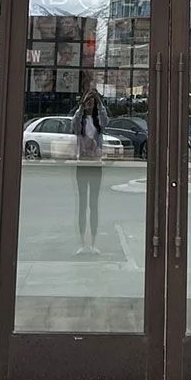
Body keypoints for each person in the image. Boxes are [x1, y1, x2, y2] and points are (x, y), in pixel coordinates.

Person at [71, 86, 108, 255]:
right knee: (82, 204)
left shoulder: (97, 121)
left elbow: (105, 119)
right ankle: (81, 243)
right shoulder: (81, 121)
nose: (89, 105)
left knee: (93, 204)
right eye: (88, 102)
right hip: (82, 164)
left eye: (91, 102)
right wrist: (81, 104)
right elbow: (74, 123)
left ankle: (93, 243)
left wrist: (99, 101)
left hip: (95, 165)